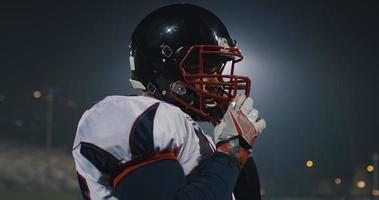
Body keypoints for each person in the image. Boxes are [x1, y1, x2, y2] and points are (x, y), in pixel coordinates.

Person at [72, 3, 266, 200]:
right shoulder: (133, 115)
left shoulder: (195, 135)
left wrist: (236, 148)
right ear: (160, 69)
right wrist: (229, 150)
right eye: (202, 68)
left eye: (216, 70)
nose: (215, 82)